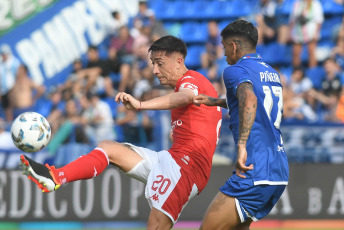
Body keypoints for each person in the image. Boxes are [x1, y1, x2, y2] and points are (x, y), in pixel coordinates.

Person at [19, 35, 222, 229]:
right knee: (108, 148)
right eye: (152, 63)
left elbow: (186, 96)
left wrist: (141, 104)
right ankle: (56, 177)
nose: (154, 70)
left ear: (179, 61)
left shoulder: (192, 79)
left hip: (186, 167)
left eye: (159, 63)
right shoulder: (185, 89)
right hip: (172, 159)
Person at [193, 19, 289, 229]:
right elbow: (260, 103)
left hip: (254, 168)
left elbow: (250, 100)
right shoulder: (272, 73)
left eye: (224, 46)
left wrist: (242, 145)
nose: (224, 52)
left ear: (233, 46)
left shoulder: (234, 71)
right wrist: (216, 101)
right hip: (278, 170)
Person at [289, 0, 324, 68]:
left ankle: (312, 71)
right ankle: (296, 70)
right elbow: (292, 19)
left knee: (311, 52)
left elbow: (319, 20)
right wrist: (290, 33)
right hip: (298, 31)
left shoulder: (315, 4)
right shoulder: (297, 3)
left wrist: (316, 33)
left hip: (311, 31)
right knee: (296, 53)